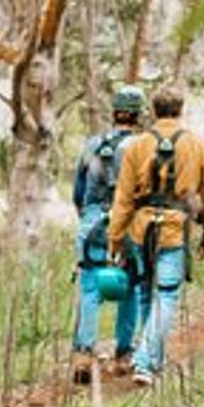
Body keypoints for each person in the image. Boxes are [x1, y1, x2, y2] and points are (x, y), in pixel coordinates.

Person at [106, 86, 204, 389]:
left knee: (147, 293)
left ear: (153, 111)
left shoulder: (137, 146)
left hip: (140, 230)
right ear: (180, 110)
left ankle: (154, 362)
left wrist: (115, 239)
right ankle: (145, 361)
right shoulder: (199, 145)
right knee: (167, 295)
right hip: (173, 230)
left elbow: (123, 199)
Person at [71, 86, 147, 383]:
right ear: (139, 115)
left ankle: (83, 355)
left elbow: (78, 193)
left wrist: (89, 216)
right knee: (130, 287)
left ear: (114, 112)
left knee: (90, 289)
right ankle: (124, 354)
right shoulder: (141, 146)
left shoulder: (92, 144)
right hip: (127, 223)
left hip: (91, 224)